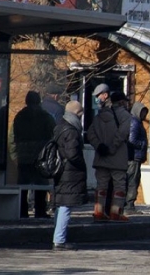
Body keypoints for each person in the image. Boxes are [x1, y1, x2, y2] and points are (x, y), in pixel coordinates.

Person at [87, 91, 132, 222]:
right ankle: (115, 212)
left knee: (101, 184)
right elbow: (122, 134)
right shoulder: (125, 116)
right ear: (122, 102)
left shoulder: (99, 115)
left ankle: (98, 211)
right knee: (119, 184)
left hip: (101, 156)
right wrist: (112, 148)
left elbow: (90, 134)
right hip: (117, 156)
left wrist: (99, 146)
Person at [11, 91, 56, 218]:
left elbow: (16, 136)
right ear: (39, 101)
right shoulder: (45, 116)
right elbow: (53, 133)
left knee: (23, 186)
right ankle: (40, 211)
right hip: (40, 155)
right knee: (40, 184)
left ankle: (22, 211)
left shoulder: (19, 116)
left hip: (23, 155)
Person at [52, 101, 88, 251]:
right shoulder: (71, 130)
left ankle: (58, 236)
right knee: (66, 205)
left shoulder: (60, 126)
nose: (81, 117)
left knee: (61, 204)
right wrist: (81, 164)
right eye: (80, 114)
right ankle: (59, 239)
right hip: (70, 172)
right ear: (76, 114)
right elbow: (73, 153)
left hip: (61, 170)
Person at [125, 102, 149, 215]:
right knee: (132, 181)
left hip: (135, 157)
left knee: (133, 180)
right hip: (134, 157)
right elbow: (132, 140)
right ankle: (129, 206)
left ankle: (128, 205)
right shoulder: (134, 122)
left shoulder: (137, 122)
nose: (144, 114)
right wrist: (143, 144)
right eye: (143, 112)